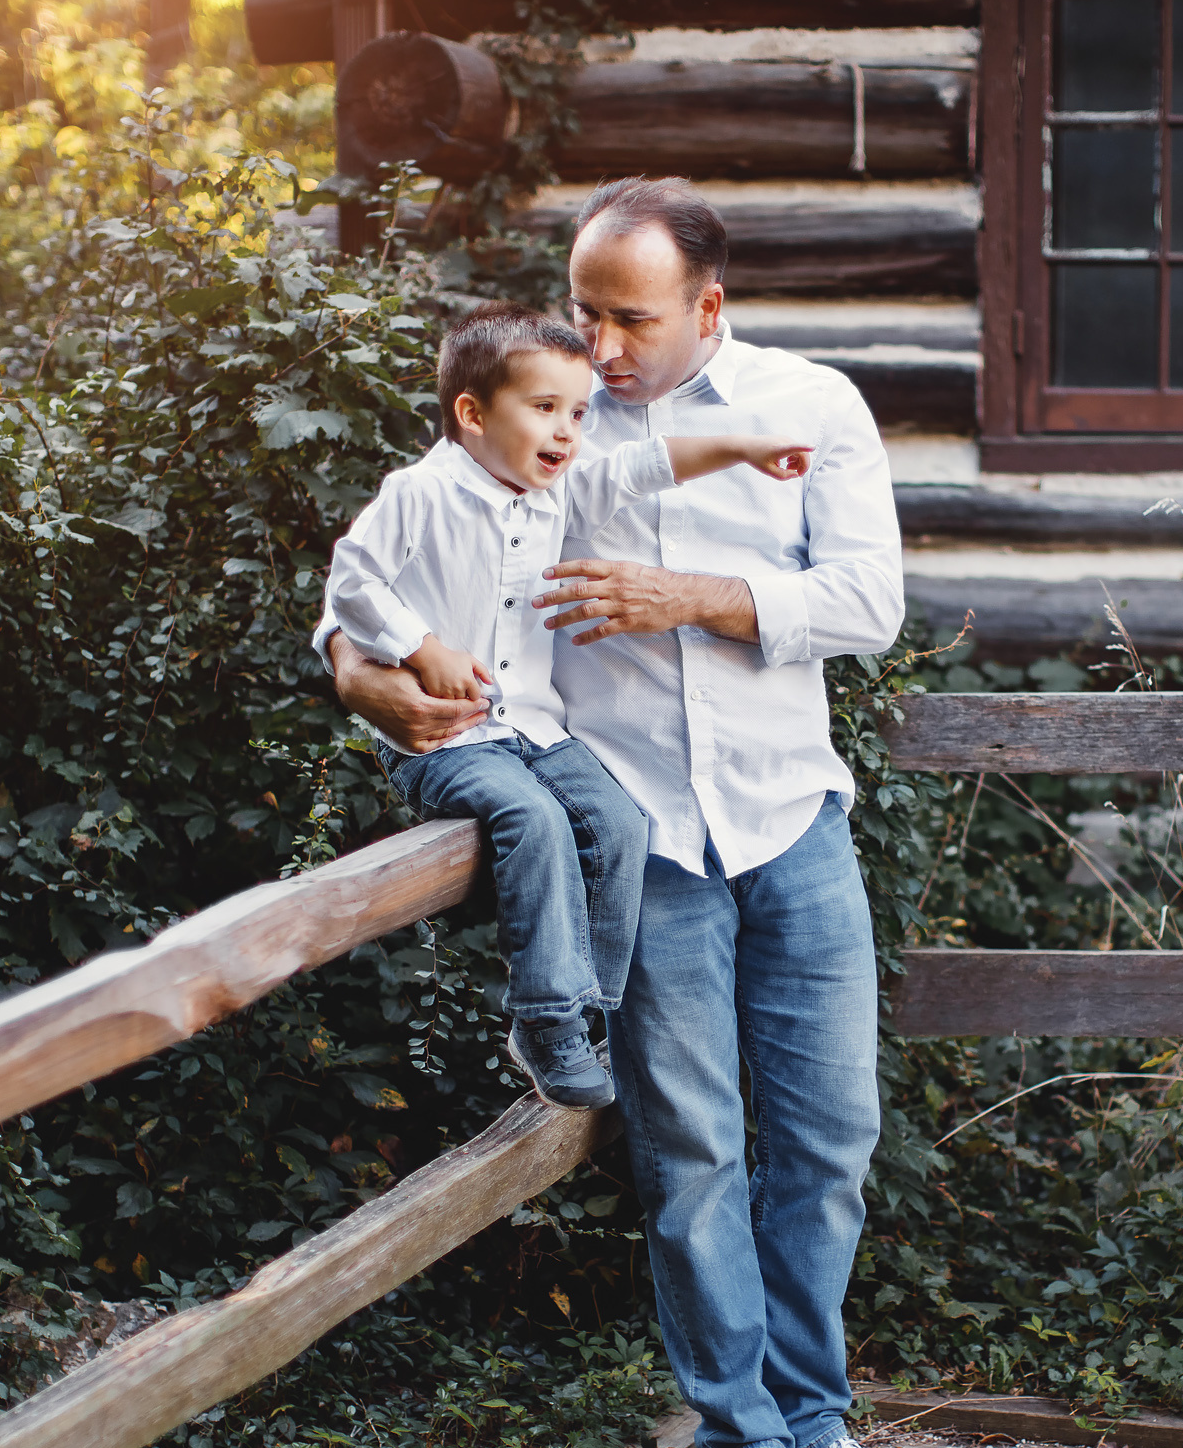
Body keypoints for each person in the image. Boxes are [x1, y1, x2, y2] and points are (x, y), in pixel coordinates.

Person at [324, 178, 946, 1448]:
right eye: (586, 309)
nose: (598, 346)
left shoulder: (807, 406)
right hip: (645, 837)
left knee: (832, 1136)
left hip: (793, 815)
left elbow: (869, 604)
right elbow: (372, 586)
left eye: (629, 318)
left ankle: (818, 1419)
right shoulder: (542, 412)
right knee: (696, 1156)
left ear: (709, 308)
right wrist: (379, 687)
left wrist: (697, 600)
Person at [313, 301, 813, 1110]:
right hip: (451, 740)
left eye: (578, 413)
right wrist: (418, 648)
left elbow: (645, 464)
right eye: (544, 409)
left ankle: (591, 1010)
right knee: (535, 824)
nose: (568, 432)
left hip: (536, 724)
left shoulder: (557, 492)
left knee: (621, 824)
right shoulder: (421, 493)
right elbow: (353, 583)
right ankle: (546, 1017)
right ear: (472, 414)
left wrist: (746, 446)